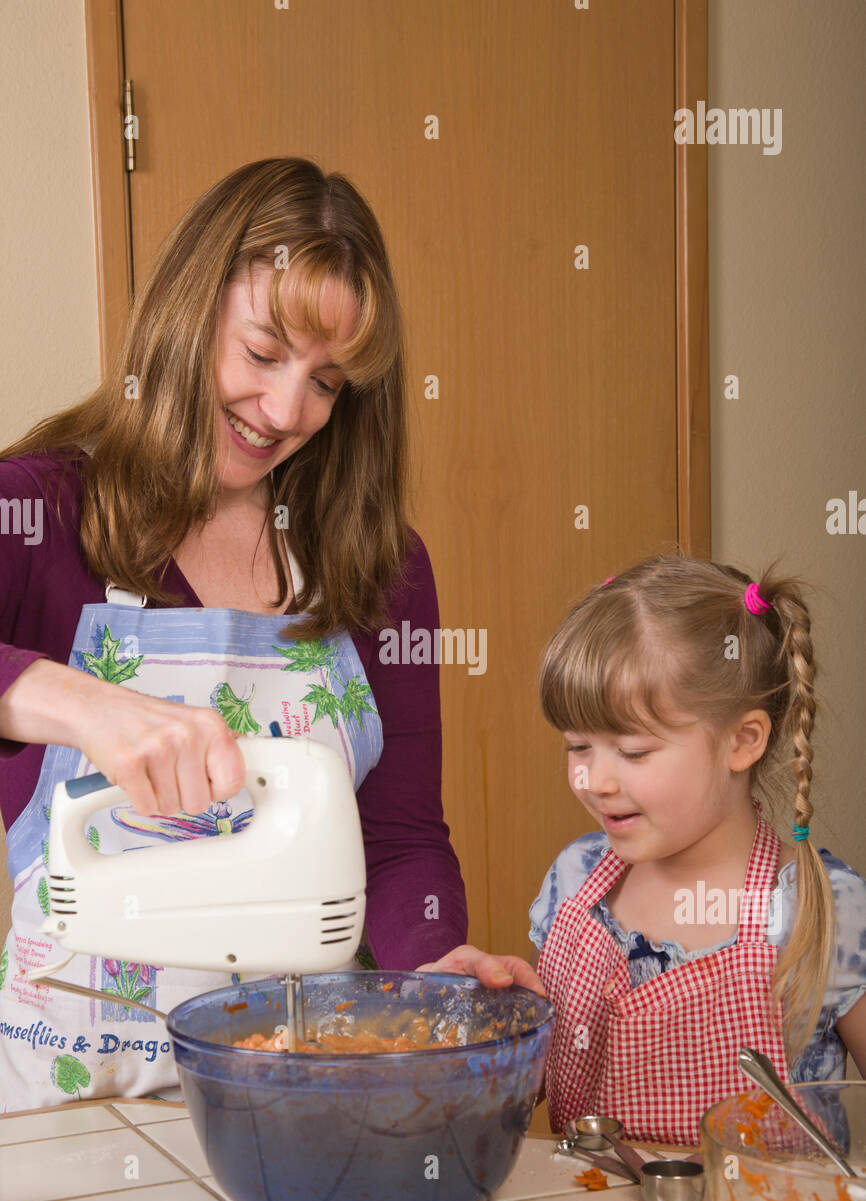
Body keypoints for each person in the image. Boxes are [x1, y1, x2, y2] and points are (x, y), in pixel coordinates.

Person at [0, 157, 467, 1112]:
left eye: (327, 384)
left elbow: (403, 845)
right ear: (190, 310)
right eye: (262, 353)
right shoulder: (40, 513)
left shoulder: (382, 568)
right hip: (65, 1115)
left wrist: (438, 977)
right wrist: (75, 701)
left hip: (293, 1105)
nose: (288, 412)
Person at [420, 553, 866, 1146]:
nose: (595, 781)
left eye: (632, 752)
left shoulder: (820, 909)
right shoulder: (575, 879)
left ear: (742, 740)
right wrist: (474, 1023)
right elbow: (531, 1087)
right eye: (578, 747)